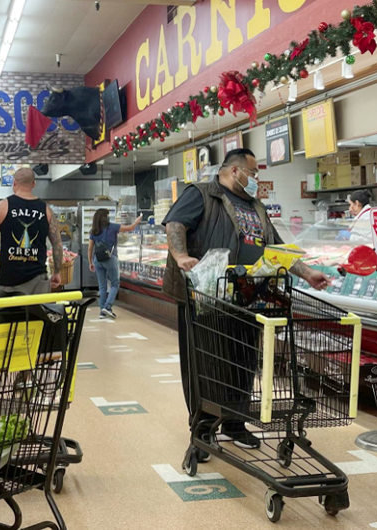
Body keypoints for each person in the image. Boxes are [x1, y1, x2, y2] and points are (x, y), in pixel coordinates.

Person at [163, 148, 329, 454]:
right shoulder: (201, 193)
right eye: (253, 173)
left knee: (243, 362)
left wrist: (307, 273)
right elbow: (175, 224)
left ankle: (236, 424)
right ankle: (202, 430)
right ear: (235, 171)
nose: (256, 180)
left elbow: (277, 248)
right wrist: (181, 256)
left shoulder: (256, 207)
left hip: (249, 296)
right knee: (205, 364)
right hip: (206, 297)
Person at [0, 168, 63, 295]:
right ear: (34, 184)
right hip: (38, 279)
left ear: (14, 183)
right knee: (37, 314)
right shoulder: (46, 210)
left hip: (9, 278)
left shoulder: (2, 207)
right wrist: (57, 272)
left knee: (9, 314)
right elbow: (57, 244)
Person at [88, 208, 142, 319]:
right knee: (115, 284)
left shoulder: (93, 231)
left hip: (98, 259)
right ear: (105, 217)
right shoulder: (112, 227)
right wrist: (137, 221)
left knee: (102, 286)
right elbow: (131, 228)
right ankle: (107, 307)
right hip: (110, 258)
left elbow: (90, 248)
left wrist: (90, 262)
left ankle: (102, 312)